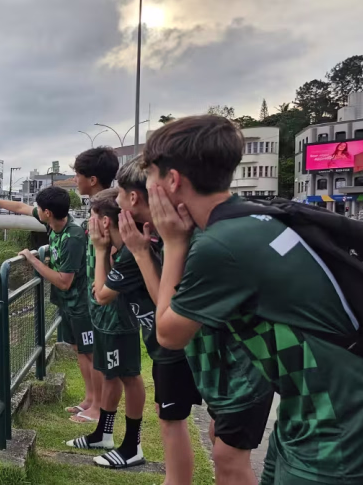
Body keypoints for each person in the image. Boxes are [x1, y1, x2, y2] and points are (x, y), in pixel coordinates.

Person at [144, 114, 363, 484]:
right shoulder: (251, 219)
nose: (148, 187)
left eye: (150, 175)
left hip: (334, 428)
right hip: (309, 411)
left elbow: (169, 334)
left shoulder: (220, 245)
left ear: (172, 180)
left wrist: (172, 242)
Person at [114, 158, 203, 483]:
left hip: (184, 348)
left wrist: (139, 253)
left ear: (133, 197)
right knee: (169, 417)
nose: (117, 201)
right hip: (178, 348)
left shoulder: (179, 237)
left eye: (119, 194)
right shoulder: (165, 234)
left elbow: (165, 306)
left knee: (180, 424)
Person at [0, 186, 96, 418]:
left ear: (47, 212)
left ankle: (98, 406)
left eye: (39, 208)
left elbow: (64, 282)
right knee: (80, 351)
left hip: (81, 305)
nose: (36, 210)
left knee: (90, 354)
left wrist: (33, 259)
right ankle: (89, 400)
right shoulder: (52, 223)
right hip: (68, 304)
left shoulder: (73, 237)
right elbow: (20, 207)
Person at [65, 188, 145, 469]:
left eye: (92, 216)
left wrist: (101, 250)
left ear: (105, 221)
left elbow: (102, 292)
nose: (88, 223)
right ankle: (104, 434)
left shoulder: (124, 252)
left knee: (129, 377)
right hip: (103, 321)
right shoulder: (114, 247)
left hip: (119, 323)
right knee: (111, 375)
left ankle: (133, 445)